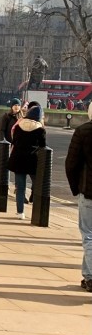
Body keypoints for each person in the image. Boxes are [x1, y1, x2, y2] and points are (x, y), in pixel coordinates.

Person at [65, 104, 92, 290]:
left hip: (89, 191)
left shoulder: (83, 131)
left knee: (89, 236)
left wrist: (76, 188)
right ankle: (88, 276)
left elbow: (71, 163)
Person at [8, 102, 46, 220]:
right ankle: (37, 210)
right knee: (38, 184)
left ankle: (20, 212)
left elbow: (14, 141)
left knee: (20, 187)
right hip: (32, 160)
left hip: (18, 159)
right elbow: (43, 146)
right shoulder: (40, 130)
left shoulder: (19, 126)